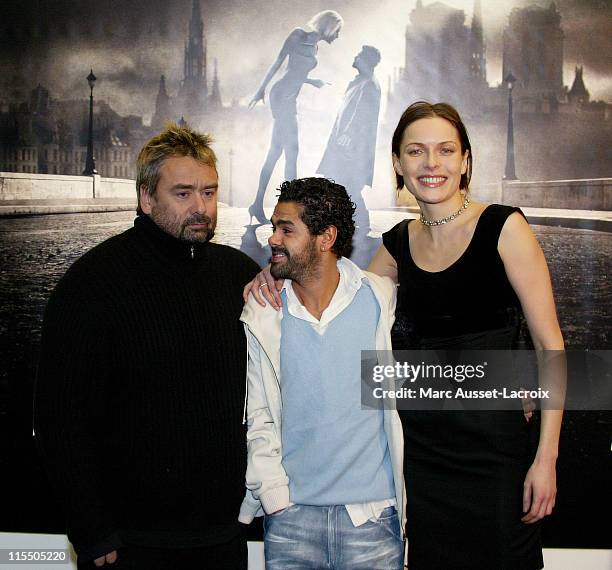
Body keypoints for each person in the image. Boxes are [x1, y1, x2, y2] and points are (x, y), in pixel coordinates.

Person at [245, 102, 564, 570]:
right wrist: (272, 277)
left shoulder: (504, 228)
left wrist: (547, 457)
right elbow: (340, 294)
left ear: (466, 161)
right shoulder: (396, 246)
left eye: (445, 150)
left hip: (495, 457)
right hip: (422, 462)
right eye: (416, 151)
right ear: (398, 163)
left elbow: (550, 346)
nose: (431, 164)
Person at [34, 123, 260, 569]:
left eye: (210, 193)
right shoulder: (91, 283)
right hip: (130, 544)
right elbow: (58, 420)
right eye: (183, 193)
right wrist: (93, 531)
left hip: (223, 536)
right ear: (146, 197)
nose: (201, 207)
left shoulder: (238, 274)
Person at [238, 177, 406, 569]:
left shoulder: (378, 299)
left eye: (286, 229)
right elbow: (258, 418)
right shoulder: (265, 313)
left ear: (326, 237)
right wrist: (276, 500)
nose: (273, 239)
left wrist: (519, 379)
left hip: (372, 520)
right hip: (290, 522)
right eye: (274, 227)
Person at [248, 10, 344, 224]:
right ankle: (288, 210)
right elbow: (278, 63)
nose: (338, 36)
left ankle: (258, 204)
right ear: (329, 27)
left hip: (290, 99)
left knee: (276, 153)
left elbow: (298, 73)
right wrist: (260, 90)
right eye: (337, 31)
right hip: (281, 95)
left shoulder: (315, 46)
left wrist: (312, 82)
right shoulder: (298, 35)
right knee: (292, 152)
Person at [317, 45, 382, 238]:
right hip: (344, 144)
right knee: (341, 183)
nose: (355, 56)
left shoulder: (369, 84)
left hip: (352, 148)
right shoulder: (359, 82)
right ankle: (352, 222)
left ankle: (361, 222)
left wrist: (348, 134)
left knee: (348, 184)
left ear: (367, 60)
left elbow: (362, 115)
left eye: (359, 54)